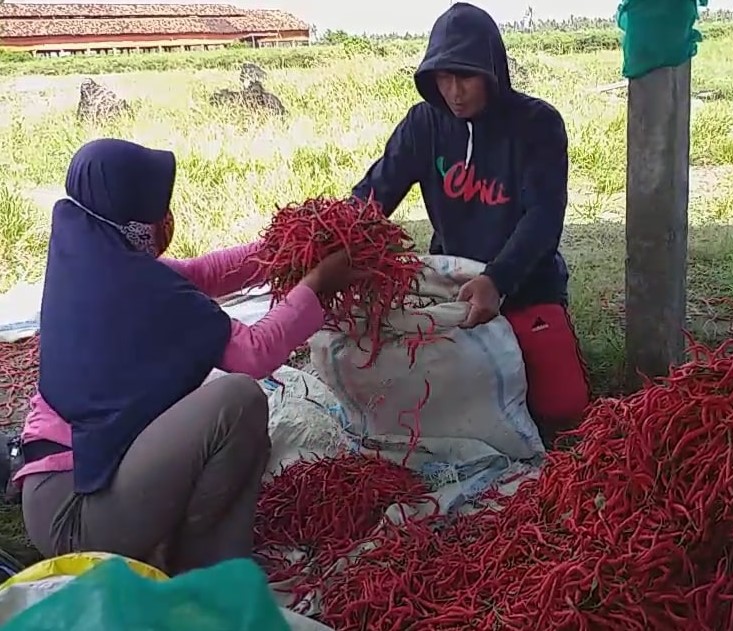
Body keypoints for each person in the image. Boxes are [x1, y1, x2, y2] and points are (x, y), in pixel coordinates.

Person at [16, 138, 356, 575]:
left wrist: (286, 247)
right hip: (78, 515)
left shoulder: (89, 255)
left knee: (207, 402)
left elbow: (202, 274)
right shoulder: (137, 287)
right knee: (237, 399)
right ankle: (204, 570)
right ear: (131, 216)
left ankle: (164, 541)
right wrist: (315, 285)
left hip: (60, 487)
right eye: (156, 209)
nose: (165, 219)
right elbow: (252, 354)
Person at [351, 2, 590, 436]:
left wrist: (498, 281)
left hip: (524, 286)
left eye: (466, 76)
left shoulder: (537, 124)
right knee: (428, 407)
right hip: (454, 289)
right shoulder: (424, 124)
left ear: (493, 71)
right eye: (443, 77)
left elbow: (543, 217)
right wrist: (335, 233)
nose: (454, 91)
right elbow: (375, 193)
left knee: (562, 408)